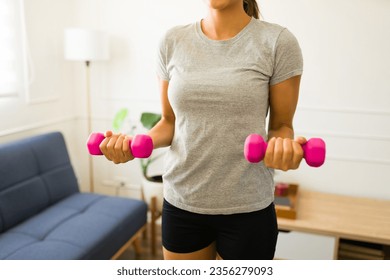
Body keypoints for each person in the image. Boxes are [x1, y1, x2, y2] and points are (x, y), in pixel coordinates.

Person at [99, 0, 305, 260]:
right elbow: (168, 121)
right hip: (182, 201)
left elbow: (281, 126)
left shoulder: (277, 42)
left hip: (248, 206)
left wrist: (282, 147)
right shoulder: (172, 40)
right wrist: (134, 146)